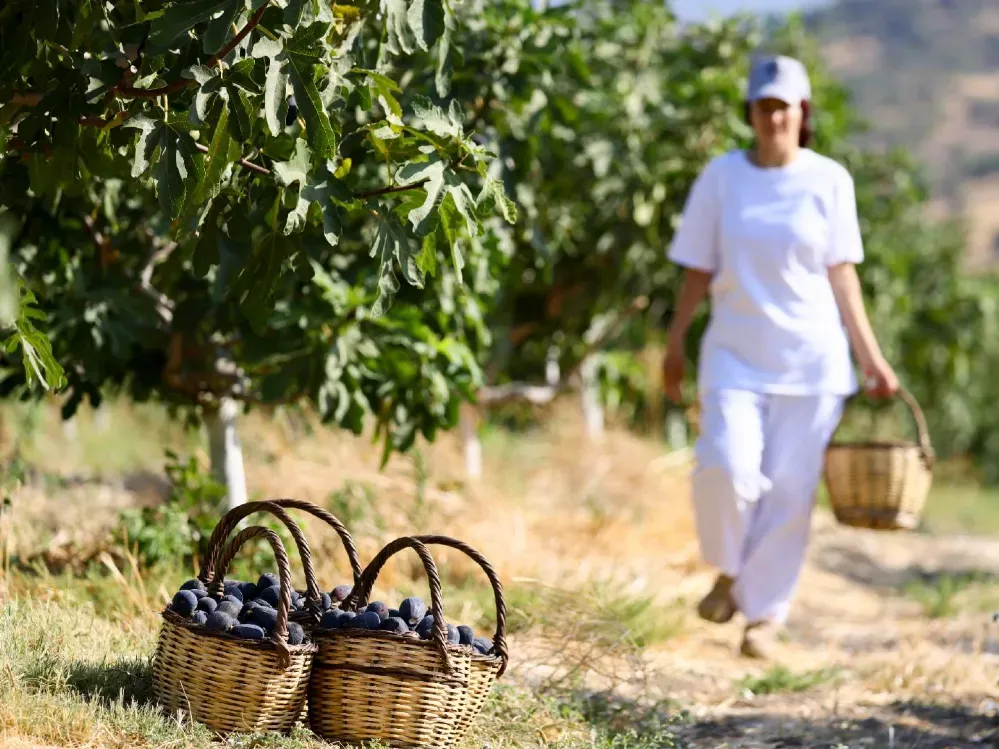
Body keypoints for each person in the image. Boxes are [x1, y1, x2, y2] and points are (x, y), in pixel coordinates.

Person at [662, 53, 899, 660]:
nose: (772, 117)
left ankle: (763, 617)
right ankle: (730, 569)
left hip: (813, 364)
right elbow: (696, 268)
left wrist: (871, 357)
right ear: (751, 112)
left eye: (782, 106)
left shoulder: (830, 181)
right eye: (762, 106)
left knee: (791, 495)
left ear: (803, 112)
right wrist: (674, 342)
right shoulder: (720, 178)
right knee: (725, 467)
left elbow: (842, 274)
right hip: (734, 356)